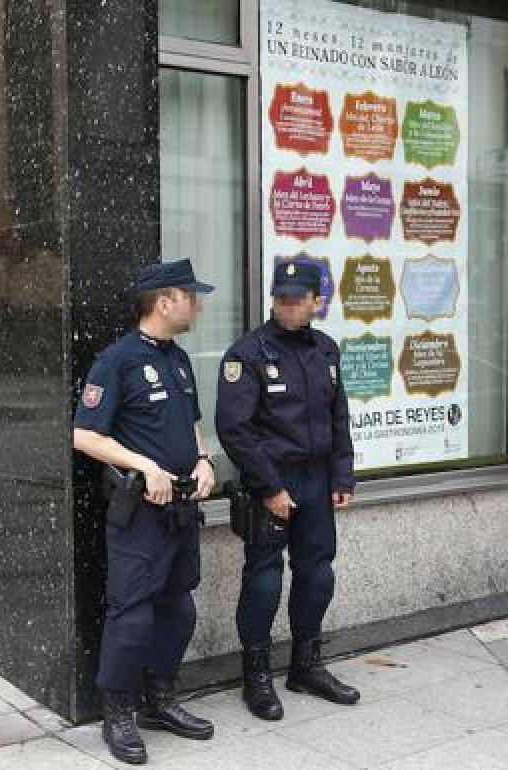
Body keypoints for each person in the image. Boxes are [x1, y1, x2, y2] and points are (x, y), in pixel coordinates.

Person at [73, 259, 218, 765]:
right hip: (140, 514)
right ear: (164, 302)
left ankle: (160, 698)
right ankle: (118, 710)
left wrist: (203, 460)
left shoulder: (178, 359)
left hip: (182, 510)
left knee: (178, 608)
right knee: (131, 613)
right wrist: (143, 463)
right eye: (191, 296)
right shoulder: (117, 361)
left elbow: (193, 423)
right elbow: (84, 435)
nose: (197, 305)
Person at [215, 259, 360, 722]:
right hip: (271, 481)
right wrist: (269, 487)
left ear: (317, 302)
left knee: (317, 572)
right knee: (264, 577)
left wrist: (342, 476)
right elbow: (234, 430)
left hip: (317, 480)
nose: (286, 306)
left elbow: (339, 417)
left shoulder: (326, 350)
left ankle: (306, 665)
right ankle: (256, 676)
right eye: (280, 298)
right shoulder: (248, 354)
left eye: (297, 299)